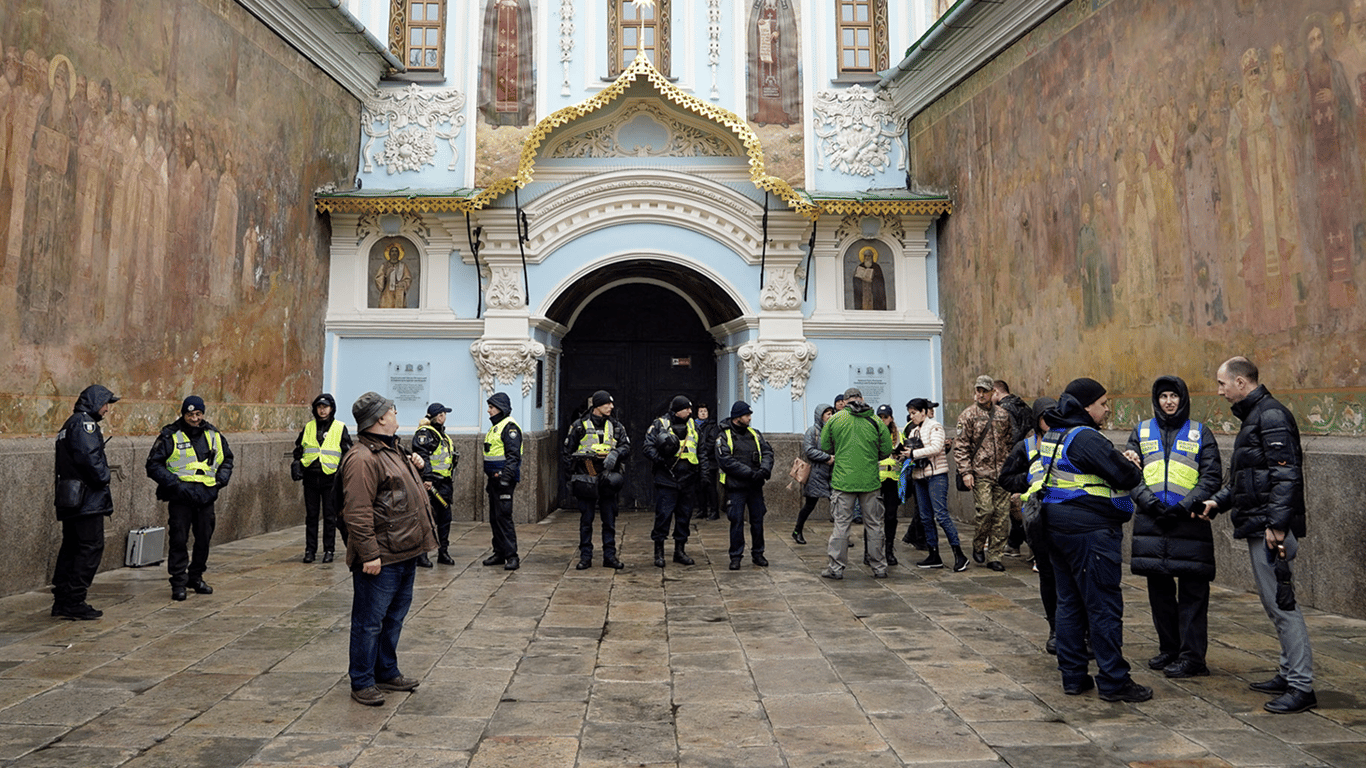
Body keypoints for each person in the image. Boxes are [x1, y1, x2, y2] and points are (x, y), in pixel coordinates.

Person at [1201, 357, 1316, 714]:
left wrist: (1277, 525)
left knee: (1283, 605)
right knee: (1274, 602)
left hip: (1270, 527)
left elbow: (1286, 476)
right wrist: (1217, 502)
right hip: (1261, 522)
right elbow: (1247, 477)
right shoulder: (1255, 416)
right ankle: (1287, 673)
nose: (1220, 392)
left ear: (1240, 382)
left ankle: (1301, 685)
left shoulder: (1270, 416)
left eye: (1222, 384)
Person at [1039, 378, 1149, 702]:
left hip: (1056, 526)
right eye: (1103, 403)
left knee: (1069, 603)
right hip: (1089, 531)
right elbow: (1127, 476)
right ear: (1085, 407)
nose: (1106, 409)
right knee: (1103, 607)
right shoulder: (1085, 437)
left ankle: (1073, 677)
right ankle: (1114, 681)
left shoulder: (1054, 433)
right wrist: (1130, 463)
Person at [339, 392, 438, 706]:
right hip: (381, 556)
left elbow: (396, 493)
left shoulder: (392, 449)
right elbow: (357, 511)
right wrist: (368, 554)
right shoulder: (362, 457)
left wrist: (417, 468)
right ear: (381, 418)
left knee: (393, 618)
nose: (397, 415)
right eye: (393, 411)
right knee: (369, 622)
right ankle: (363, 680)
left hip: (404, 550)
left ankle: (386, 671)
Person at [1124, 376, 1222, 680]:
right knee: (1159, 591)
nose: (1169, 401)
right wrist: (1149, 503)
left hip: (1188, 523)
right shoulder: (1140, 432)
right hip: (1153, 522)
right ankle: (1169, 648)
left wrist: (1185, 506)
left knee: (1193, 592)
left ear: (1183, 399)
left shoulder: (1199, 433)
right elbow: (1130, 473)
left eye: (1174, 396)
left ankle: (1192, 657)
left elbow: (1211, 476)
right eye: (1163, 396)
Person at [146, 396, 234, 602]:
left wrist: (221, 481)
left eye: (198, 414)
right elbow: (153, 465)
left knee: (204, 538)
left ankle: (196, 577)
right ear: (183, 414)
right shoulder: (170, 435)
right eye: (190, 414)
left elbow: (227, 459)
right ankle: (178, 581)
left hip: (206, 495)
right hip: (181, 496)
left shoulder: (214, 434)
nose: (194, 418)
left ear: (203, 414)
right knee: (178, 539)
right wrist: (175, 485)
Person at [51, 385, 120, 620]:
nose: (107, 409)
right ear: (95, 402)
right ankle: (74, 600)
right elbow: (89, 459)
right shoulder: (84, 424)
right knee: (90, 547)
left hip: (72, 498)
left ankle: (62, 599)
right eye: (105, 403)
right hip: (86, 500)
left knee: (71, 547)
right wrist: (104, 476)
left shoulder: (70, 423)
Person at [1000, 396, 1063, 651]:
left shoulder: (1067, 441)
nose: (1049, 422)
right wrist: (1030, 478)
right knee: (1048, 577)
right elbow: (1005, 478)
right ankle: (1055, 629)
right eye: (1044, 417)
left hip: (1065, 518)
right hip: (1038, 521)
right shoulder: (1025, 447)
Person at [819, 387, 893, 579]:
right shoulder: (876, 420)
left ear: (844, 402)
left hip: (843, 482)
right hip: (870, 481)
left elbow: (826, 447)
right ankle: (879, 567)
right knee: (874, 524)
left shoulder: (836, 419)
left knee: (841, 526)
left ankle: (836, 568)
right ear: (861, 399)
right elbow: (885, 450)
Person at [953, 374, 1015, 571]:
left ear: (992, 392)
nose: (980, 394)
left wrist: (1010, 466)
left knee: (1002, 515)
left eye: (984, 391)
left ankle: (995, 555)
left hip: (1002, 472)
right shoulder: (967, 416)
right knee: (986, 510)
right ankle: (978, 544)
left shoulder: (1003, 415)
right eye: (978, 390)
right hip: (980, 472)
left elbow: (1009, 441)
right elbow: (961, 446)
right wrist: (965, 472)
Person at [564, 390, 629, 570]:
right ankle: (586, 557)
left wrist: (616, 453)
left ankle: (610, 556)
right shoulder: (579, 426)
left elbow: (626, 446)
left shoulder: (616, 426)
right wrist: (571, 478)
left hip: (608, 479)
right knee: (586, 521)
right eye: (607, 404)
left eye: (611, 403)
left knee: (609, 521)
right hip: (587, 478)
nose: (611, 407)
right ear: (597, 406)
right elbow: (567, 454)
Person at [905, 398, 968, 572]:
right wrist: (903, 454)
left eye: (914, 413)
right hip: (919, 476)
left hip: (936, 476)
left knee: (941, 515)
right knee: (925, 517)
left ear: (924, 412)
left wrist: (913, 453)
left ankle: (959, 554)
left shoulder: (935, 426)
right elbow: (912, 451)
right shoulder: (913, 431)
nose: (912, 417)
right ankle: (934, 555)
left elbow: (936, 447)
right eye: (910, 413)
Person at [643, 395, 707, 567]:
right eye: (687, 408)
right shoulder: (660, 424)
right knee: (663, 516)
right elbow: (647, 447)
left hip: (688, 479)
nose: (690, 411)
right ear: (678, 410)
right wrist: (662, 461)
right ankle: (659, 553)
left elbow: (701, 451)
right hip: (667, 478)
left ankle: (680, 551)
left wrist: (704, 474)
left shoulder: (693, 425)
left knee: (684, 517)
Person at [292, 393, 352, 564]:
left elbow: (347, 452)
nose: (322, 410)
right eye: (319, 407)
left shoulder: (340, 427)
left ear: (332, 409)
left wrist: (343, 474)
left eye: (325, 407)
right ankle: (310, 550)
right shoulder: (309, 427)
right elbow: (299, 449)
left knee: (329, 516)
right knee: (311, 516)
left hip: (330, 478)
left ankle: (329, 550)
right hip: (311, 477)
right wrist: (297, 464)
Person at [715, 400, 774, 570]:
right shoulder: (724, 436)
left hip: (755, 486)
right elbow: (725, 460)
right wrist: (749, 473)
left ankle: (758, 554)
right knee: (737, 522)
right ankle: (735, 556)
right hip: (736, 488)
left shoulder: (755, 434)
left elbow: (768, 452)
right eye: (747, 415)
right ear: (737, 417)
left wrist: (764, 469)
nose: (749, 418)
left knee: (757, 521)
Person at [412, 402, 459, 567]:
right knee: (426, 519)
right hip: (431, 484)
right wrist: (428, 478)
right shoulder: (424, 434)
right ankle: (421, 555)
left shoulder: (442, 435)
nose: (444, 416)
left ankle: (443, 552)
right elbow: (422, 456)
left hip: (444, 484)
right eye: (443, 414)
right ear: (440, 416)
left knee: (445, 519)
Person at [482, 392, 522, 571]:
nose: (489, 411)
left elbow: (513, 456)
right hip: (494, 481)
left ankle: (511, 556)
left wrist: (506, 478)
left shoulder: (510, 428)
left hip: (504, 481)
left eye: (491, 407)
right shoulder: (496, 426)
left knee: (504, 517)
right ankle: (499, 552)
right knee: (494, 517)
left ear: (500, 408)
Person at [994, 380, 1033, 557]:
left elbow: (1012, 434)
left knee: (1014, 506)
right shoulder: (1022, 405)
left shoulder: (1005, 409)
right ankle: (1014, 543)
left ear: (996, 391)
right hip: (1027, 458)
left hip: (1014, 460)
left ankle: (1020, 543)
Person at [792, 403, 835, 545]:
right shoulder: (812, 431)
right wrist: (827, 458)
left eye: (831, 413)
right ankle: (797, 531)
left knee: (838, 507)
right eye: (827, 413)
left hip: (832, 474)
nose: (830, 416)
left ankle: (841, 536)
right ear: (820, 416)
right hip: (816, 474)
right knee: (810, 505)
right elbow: (809, 450)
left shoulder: (834, 430)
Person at [873, 404, 905, 566]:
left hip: (892, 480)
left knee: (891, 517)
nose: (883, 419)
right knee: (872, 518)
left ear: (891, 418)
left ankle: (889, 550)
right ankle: (870, 551)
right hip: (876, 480)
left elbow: (906, 453)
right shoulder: (872, 433)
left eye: (885, 417)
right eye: (880, 416)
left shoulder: (898, 435)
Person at [693, 404, 720, 521]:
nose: (703, 413)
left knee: (710, 487)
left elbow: (711, 442)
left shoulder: (713, 426)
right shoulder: (693, 426)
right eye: (701, 411)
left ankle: (714, 511)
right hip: (697, 461)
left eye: (705, 411)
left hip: (710, 461)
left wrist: (701, 452)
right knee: (699, 487)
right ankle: (702, 510)